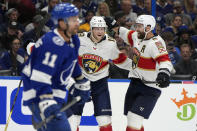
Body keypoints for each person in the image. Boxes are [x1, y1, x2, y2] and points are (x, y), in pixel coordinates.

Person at [21, 3, 91, 131]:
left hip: (54, 92)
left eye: (77, 19)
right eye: (73, 20)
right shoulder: (51, 43)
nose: (77, 23)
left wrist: (81, 80)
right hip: (39, 94)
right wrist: (45, 101)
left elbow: (72, 62)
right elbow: (39, 78)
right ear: (61, 23)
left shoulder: (74, 39)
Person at [105, 15, 173, 131]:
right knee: (132, 119)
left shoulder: (156, 43)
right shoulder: (137, 36)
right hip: (136, 82)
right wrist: (114, 24)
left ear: (148, 28)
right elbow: (124, 33)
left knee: (134, 117)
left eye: (140, 26)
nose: (137, 29)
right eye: (136, 26)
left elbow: (165, 61)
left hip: (150, 87)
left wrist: (164, 73)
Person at [67, 16, 133, 131]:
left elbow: (121, 61)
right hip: (81, 81)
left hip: (100, 83)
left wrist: (139, 68)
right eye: (97, 29)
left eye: (102, 29)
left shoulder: (111, 43)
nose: (100, 31)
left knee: (104, 120)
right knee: (73, 119)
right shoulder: (79, 39)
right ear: (91, 29)